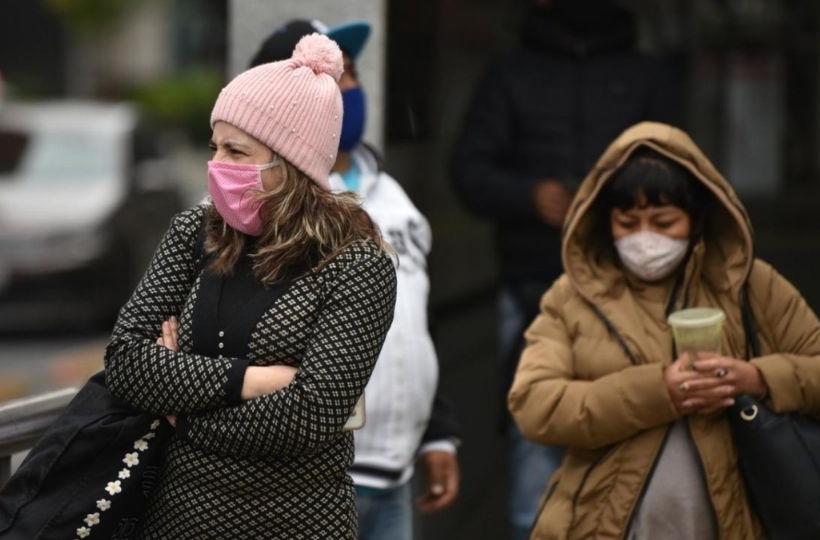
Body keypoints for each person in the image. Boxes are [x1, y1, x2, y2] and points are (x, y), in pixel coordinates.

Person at [103, 34, 397, 538]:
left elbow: (312, 415)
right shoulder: (194, 233)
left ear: (293, 165)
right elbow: (127, 361)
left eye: (237, 151)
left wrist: (181, 410)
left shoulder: (357, 264)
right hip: (177, 520)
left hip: (298, 522)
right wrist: (249, 381)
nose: (217, 164)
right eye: (215, 146)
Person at [508, 122, 820, 539]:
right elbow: (534, 404)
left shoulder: (750, 285)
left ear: (697, 219)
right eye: (628, 222)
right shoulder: (572, 298)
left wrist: (758, 378)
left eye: (663, 221)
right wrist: (659, 392)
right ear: (605, 222)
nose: (644, 237)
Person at [450, 2, 679, 535]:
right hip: (534, 286)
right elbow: (467, 169)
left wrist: (621, 201)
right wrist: (529, 196)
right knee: (537, 440)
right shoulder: (510, 73)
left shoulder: (645, 75)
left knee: (636, 440)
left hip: (635, 291)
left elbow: (682, 171)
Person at [250, 19, 461, 540]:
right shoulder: (260, 207)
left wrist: (437, 434)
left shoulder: (392, 195)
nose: (346, 88)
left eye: (350, 73)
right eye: (326, 77)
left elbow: (412, 322)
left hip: (395, 473)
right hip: (305, 477)